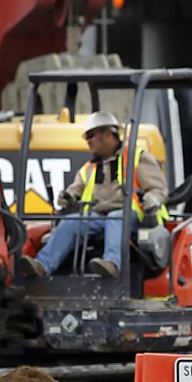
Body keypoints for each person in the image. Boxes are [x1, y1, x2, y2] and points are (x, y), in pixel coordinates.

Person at [20, 111, 168, 278]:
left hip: (132, 216)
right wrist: (68, 196)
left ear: (107, 133)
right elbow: (76, 188)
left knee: (115, 218)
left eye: (91, 136)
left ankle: (112, 264)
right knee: (71, 222)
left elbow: (158, 189)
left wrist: (153, 197)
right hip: (99, 217)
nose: (88, 141)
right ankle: (43, 265)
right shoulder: (89, 168)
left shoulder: (137, 158)